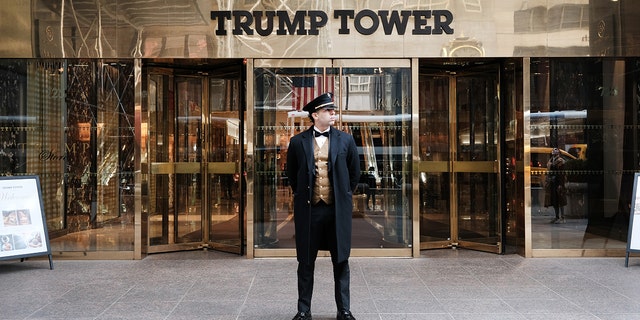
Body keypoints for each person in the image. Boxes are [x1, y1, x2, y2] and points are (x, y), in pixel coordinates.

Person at [286, 92, 360, 320]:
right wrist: (302, 195)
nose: (333, 114)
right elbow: (292, 174)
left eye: (333, 110)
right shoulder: (297, 142)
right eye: (328, 111)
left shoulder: (346, 140)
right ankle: (303, 310)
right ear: (315, 114)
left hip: (336, 210)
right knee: (306, 262)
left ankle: (344, 310)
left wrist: (343, 195)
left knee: (341, 261)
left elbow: (354, 173)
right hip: (310, 210)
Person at [544, 148, 567, 223]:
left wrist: (561, 184)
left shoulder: (560, 161)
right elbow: (549, 172)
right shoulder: (551, 160)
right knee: (554, 200)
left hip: (558, 183)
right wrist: (547, 180)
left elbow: (562, 174)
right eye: (553, 153)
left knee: (560, 200)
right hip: (552, 183)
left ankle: (562, 217)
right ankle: (557, 216)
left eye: (555, 153)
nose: (554, 154)